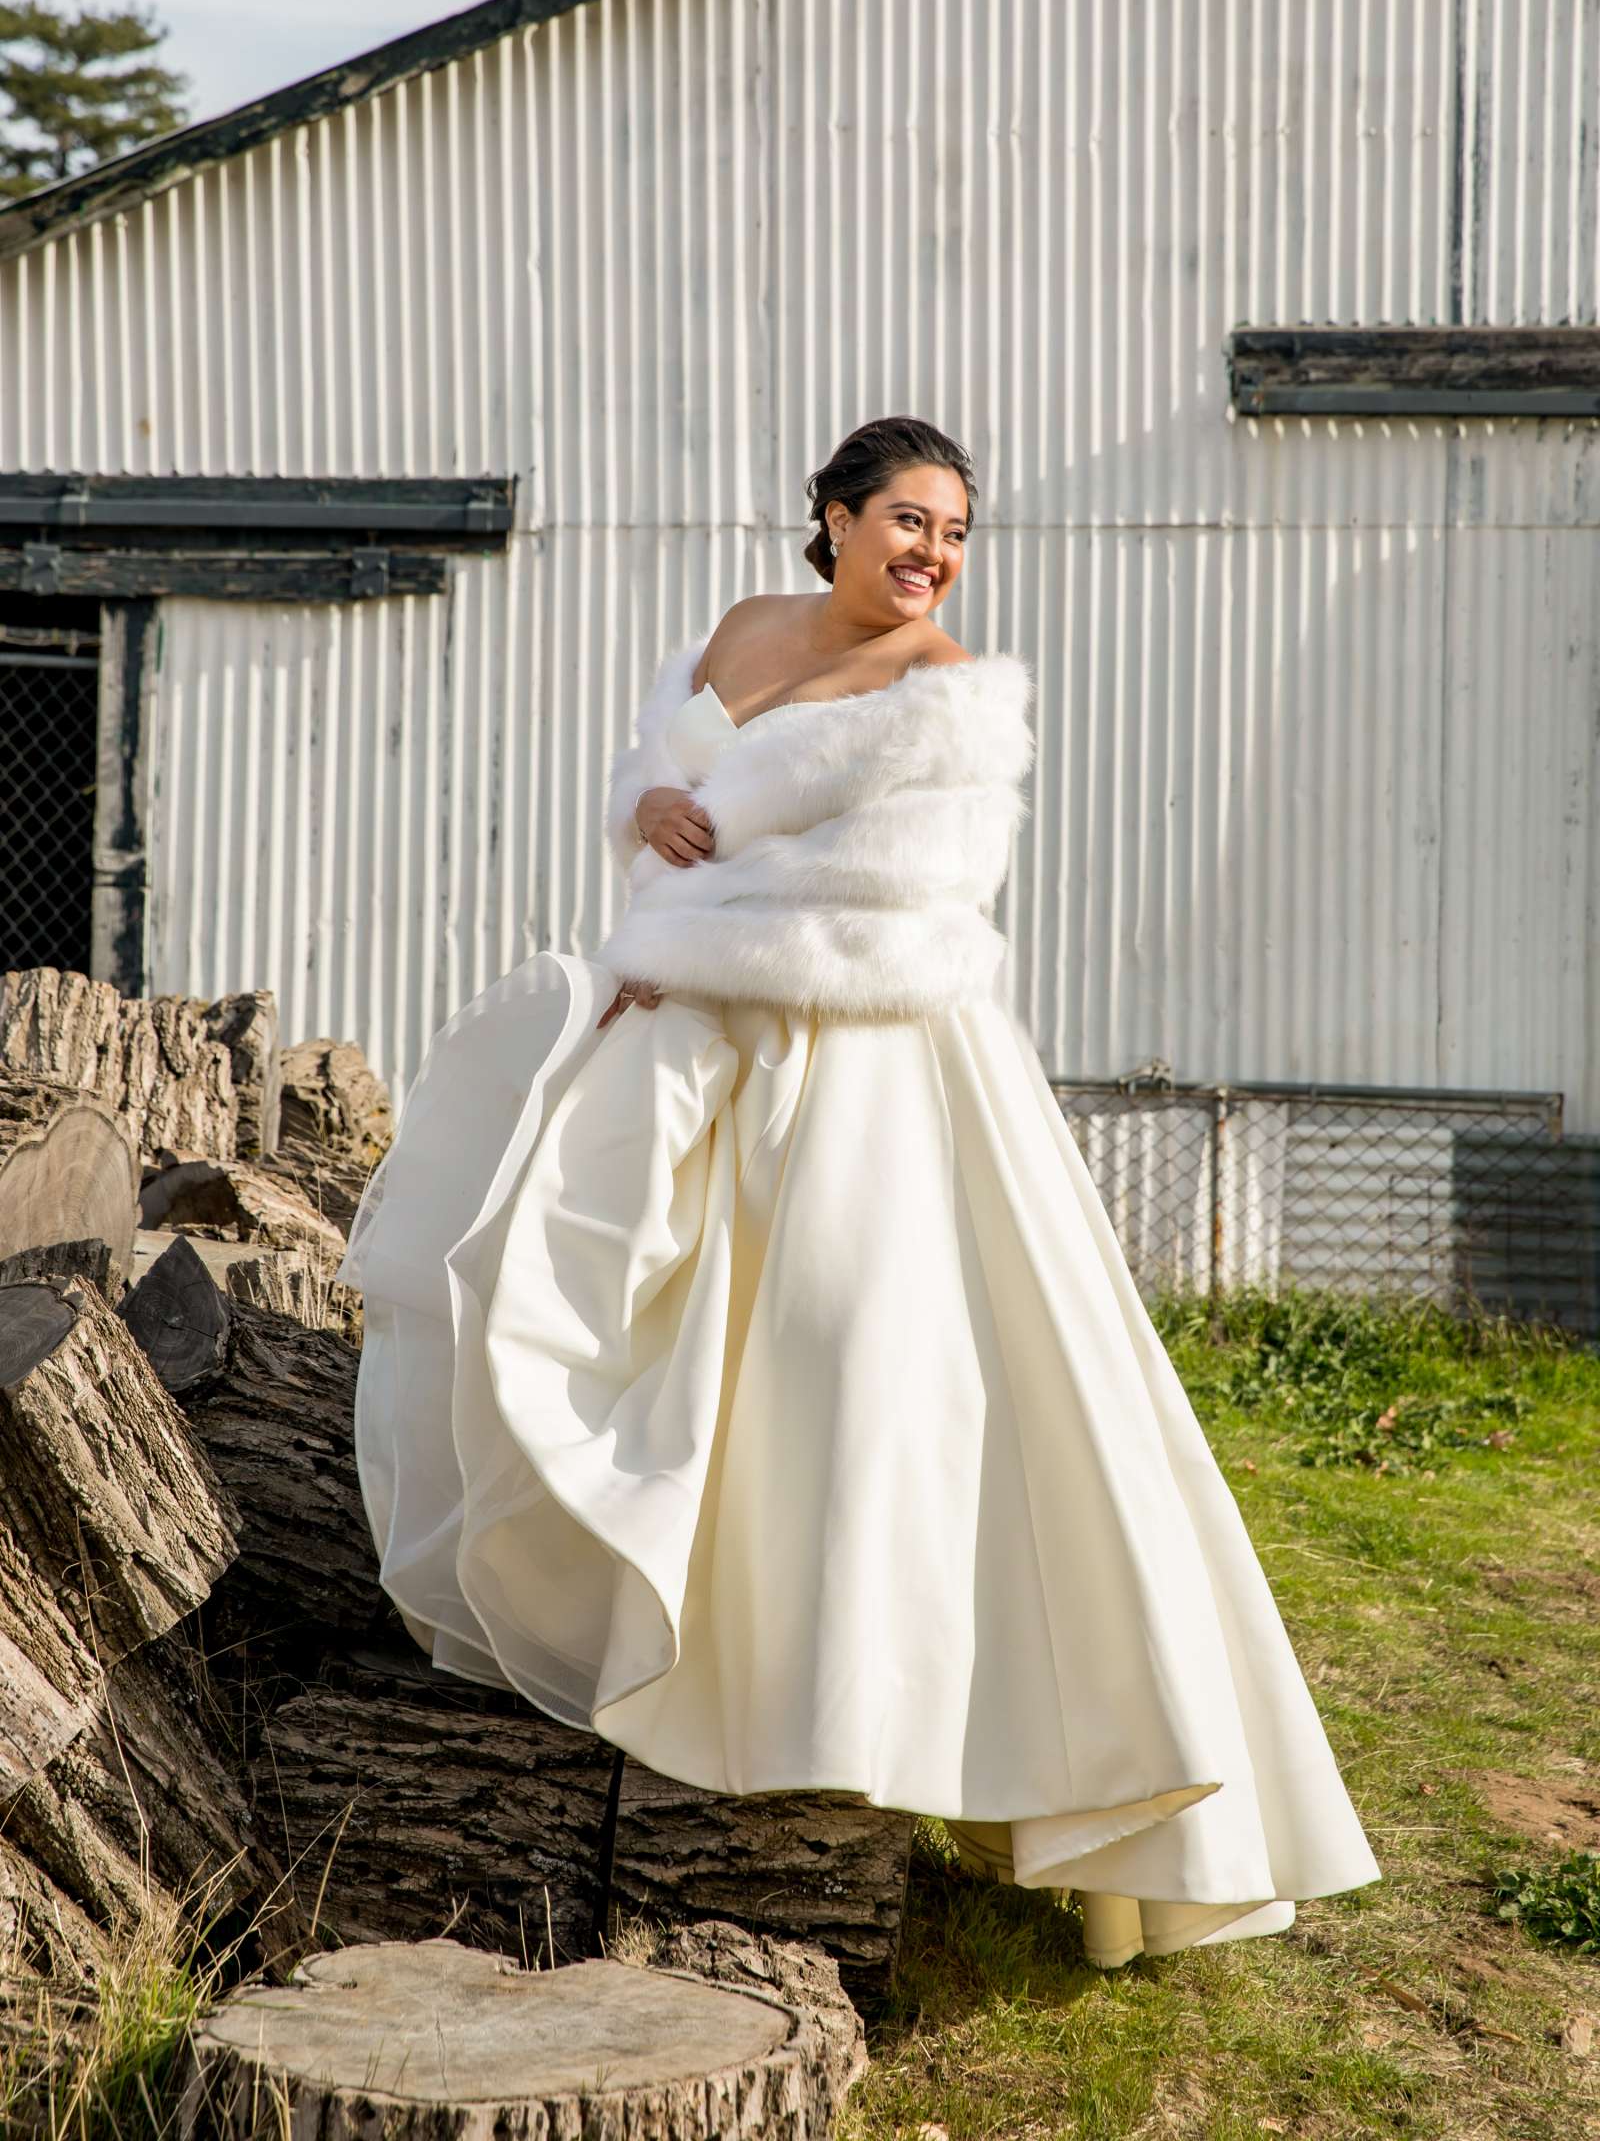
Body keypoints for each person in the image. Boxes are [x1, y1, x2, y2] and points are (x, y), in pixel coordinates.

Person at [336, 413, 1380, 1972]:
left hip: (865, 1071)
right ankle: (689, 1672)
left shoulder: (949, 697)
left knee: (850, 1376)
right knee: (618, 1334)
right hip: (687, 1029)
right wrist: (648, 821)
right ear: (828, 519)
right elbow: (668, 776)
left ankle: (879, 1716)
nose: (932, 555)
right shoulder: (747, 628)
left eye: (955, 531)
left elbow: (895, 908)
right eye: (905, 519)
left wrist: (679, 942)